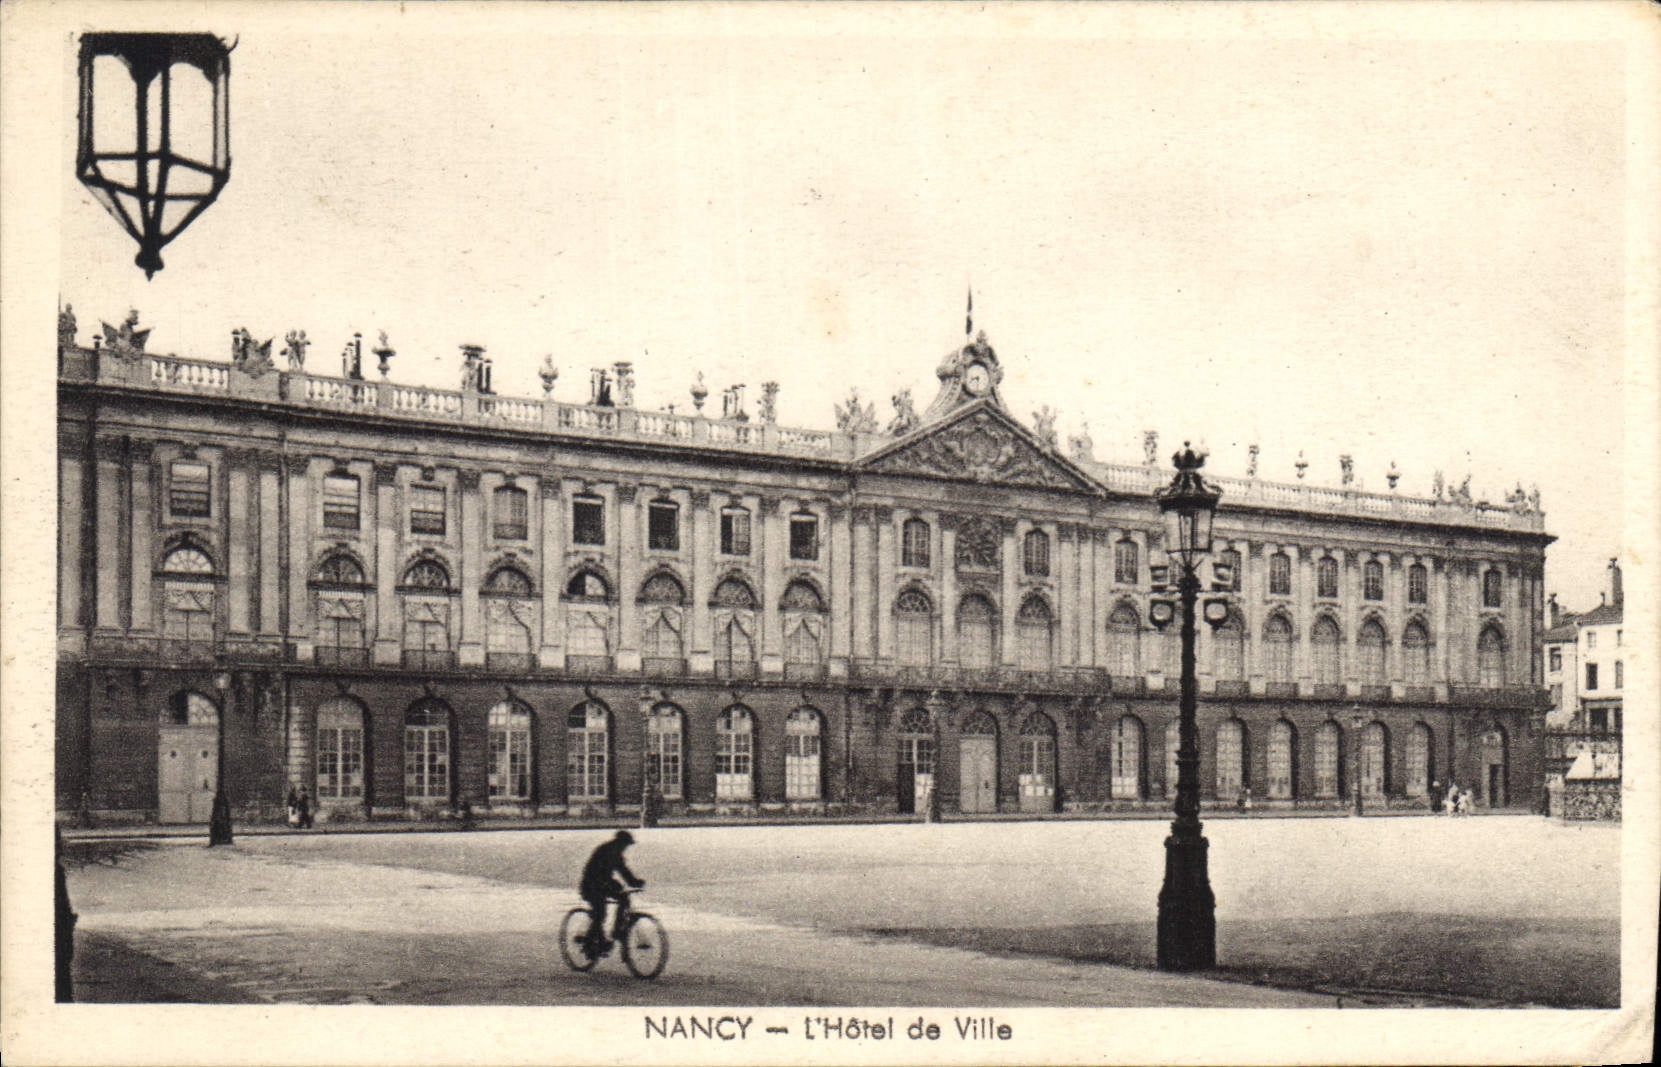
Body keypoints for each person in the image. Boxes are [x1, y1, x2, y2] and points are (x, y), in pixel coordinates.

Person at [579, 829, 645, 956]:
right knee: (600, 914)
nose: (626, 847)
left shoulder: (615, 852)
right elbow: (596, 872)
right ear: (620, 842)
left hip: (603, 884)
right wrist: (632, 882)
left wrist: (634, 882)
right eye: (625, 844)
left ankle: (617, 929)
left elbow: (623, 870)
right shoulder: (606, 851)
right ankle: (589, 943)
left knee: (623, 898)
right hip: (590, 885)